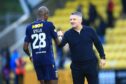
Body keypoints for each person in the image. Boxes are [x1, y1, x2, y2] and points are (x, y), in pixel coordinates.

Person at [58, 12, 106, 84]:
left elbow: (98, 44)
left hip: (91, 65)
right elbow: (60, 45)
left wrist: (102, 57)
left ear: (80, 20)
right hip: (76, 67)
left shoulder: (90, 30)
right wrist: (59, 36)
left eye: (74, 19)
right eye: (70, 19)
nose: (72, 21)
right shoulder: (68, 34)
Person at [23, 6, 60, 84]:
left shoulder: (29, 27)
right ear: (45, 14)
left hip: (37, 61)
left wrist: (30, 56)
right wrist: (60, 36)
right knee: (54, 81)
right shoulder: (49, 25)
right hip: (48, 60)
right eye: (48, 14)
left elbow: (25, 47)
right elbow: (58, 43)